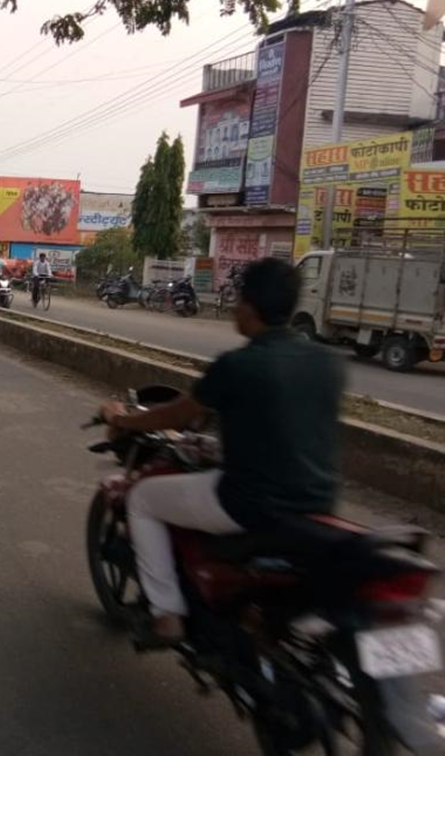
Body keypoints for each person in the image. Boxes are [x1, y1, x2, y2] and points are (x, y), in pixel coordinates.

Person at [100, 258, 344, 647]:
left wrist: (123, 420)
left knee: (143, 499)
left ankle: (167, 615)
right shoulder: (327, 363)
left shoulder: (239, 364)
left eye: (238, 301)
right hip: (318, 504)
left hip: (247, 504)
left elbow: (180, 414)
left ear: (248, 306)